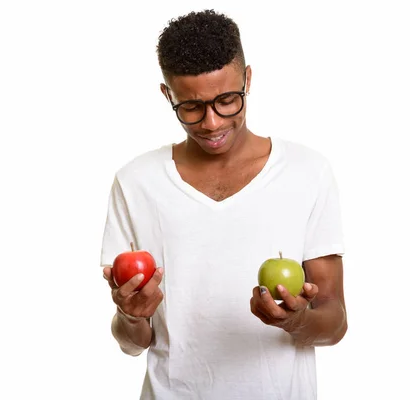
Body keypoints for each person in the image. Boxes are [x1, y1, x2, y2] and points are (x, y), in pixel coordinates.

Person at [99, 9, 348, 400]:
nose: (212, 123)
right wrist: (132, 314)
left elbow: (334, 323)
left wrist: (296, 321)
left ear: (247, 79)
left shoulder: (308, 172)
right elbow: (132, 343)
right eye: (191, 107)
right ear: (168, 96)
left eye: (227, 100)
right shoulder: (135, 182)